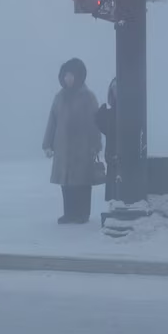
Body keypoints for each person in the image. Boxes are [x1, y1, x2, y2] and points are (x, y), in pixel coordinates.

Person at [43, 58, 102, 224]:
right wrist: (47, 145)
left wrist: (95, 145)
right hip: (63, 148)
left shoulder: (88, 97)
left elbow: (95, 123)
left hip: (82, 147)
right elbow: (52, 122)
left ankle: (82, 214)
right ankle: (69, 213)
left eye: (71, 76)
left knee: (82, 181)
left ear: (79, 76)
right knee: (66, 183)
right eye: (65, 76)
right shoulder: (59, 97)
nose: (68, 79)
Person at [95, 77, 118, 202]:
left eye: (119, 87)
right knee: (113, 198)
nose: (116, 90)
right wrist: (99, 118)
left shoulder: (131, 110)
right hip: (112, 158)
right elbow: (107, 129)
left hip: (128, 161)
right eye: (114, 88)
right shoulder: (109, 113)